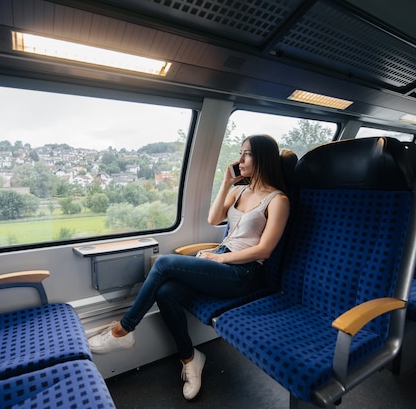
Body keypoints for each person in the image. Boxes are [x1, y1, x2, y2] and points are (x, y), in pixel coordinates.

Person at [88, 134, 290, 400]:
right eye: (240, 153)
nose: (240, 160)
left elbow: (264, 250)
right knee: (166, 293)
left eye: (247, 154)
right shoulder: (238, 191)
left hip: (244, 273)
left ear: (263, 158)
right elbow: (213, 217)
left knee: (163, 263)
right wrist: (227, 182)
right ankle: (190, 358)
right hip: (222, 259)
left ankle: (123, 330)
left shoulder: (278, 200)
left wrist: (219, 259)